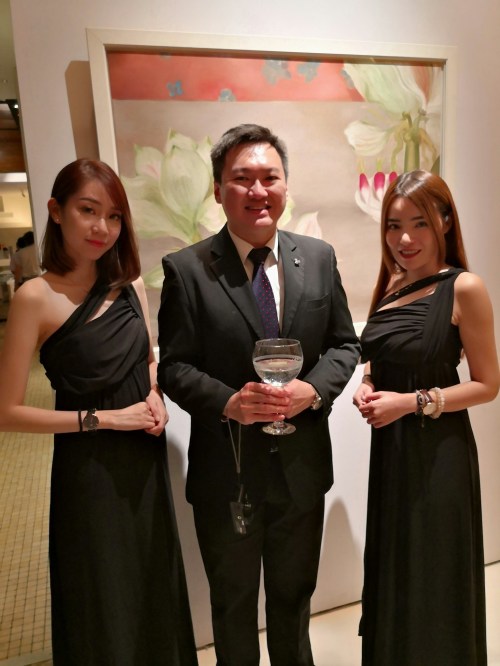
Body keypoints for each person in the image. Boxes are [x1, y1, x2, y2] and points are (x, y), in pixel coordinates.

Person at [157, 123, 360, 666]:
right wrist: (229, 402)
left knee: (295, 603)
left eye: (269, 177)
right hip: (228, 474)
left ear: (285, 186)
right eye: (241, 178)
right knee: (233, 606)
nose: (257, 190)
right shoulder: (187, 270)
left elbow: (345, 345)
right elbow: (173, 366)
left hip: (301, 471)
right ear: (218, 189)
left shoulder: (318, 257)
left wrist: (312, 390)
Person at [0, 159, 198, 666]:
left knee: (151, 579)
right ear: (56, 211)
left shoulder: (129, 286)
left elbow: (147, 360)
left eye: (113, 216)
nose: (102, 228)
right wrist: (105, 419)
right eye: (88, 210)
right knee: (103, 592)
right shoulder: (34, 297)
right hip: (88, 471)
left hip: (144, 460)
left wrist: (155, 397)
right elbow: (8, 412)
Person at [352, 170, 499, 666]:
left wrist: (410, 402)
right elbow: (381, 356)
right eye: (394, 226)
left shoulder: (465, 288)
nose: (405, 239)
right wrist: (369, 382)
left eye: (419, 223)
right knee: (398, 565)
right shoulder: (393, 283)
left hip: (439, 455)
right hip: (392, 453)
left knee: (433, 571)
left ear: (445, 221)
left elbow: (487, 384)